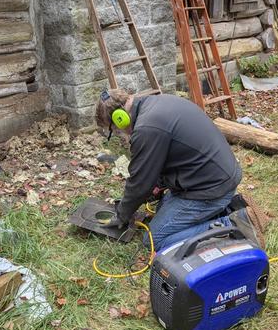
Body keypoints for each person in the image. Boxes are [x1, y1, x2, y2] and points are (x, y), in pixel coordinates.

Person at [95, 89, 262, 251]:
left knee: (154, 239)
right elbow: (164, 159)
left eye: (115, 130)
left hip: (211, 189)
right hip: (215, 176)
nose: (120, 133)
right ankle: (232, 208)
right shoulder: (155, 103)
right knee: (162, 210)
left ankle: (234, 225)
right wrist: (157, 186)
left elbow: (139, 183)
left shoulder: (147, 129)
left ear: (120, 119)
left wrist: (122, 214)